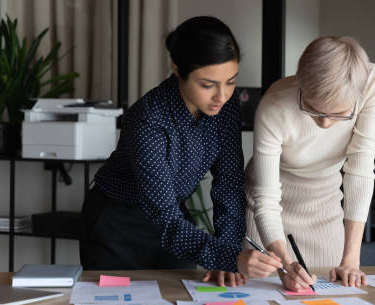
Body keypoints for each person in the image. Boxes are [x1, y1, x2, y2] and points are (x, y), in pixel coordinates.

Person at [80, 16, 282, 286]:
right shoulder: (149, 118)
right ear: (177, 70)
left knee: (183, 302)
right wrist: (230, 256)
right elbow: (163, 217)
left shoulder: (225, 107)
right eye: (207, 85)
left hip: (176, 224)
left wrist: (228, 251)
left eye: (231, 81)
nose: (221, 96)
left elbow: (229, 183)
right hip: (117, 226)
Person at [245, 36, 375, 291]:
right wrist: (285, 262)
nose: (325, 124)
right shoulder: (273, 106)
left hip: (324, 204)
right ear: (301, 85)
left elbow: (360, 169)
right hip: (268, 209)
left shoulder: (372, 84)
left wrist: (351, 259)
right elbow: (265, 199)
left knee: (327, 300)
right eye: (314, 110)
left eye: (339, 115)